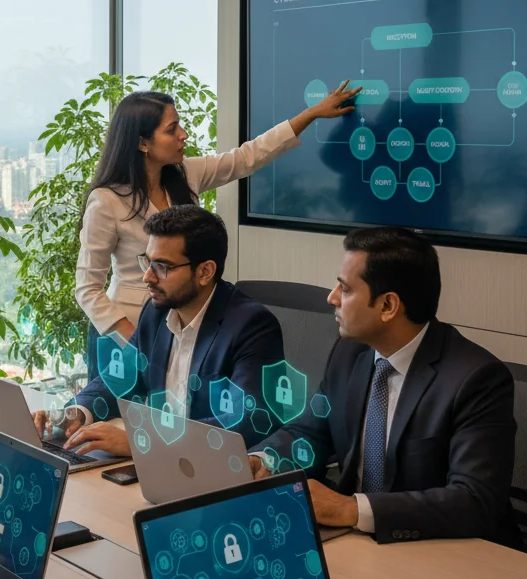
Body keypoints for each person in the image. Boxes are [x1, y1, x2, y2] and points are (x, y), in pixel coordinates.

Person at [250, 227, 519, 547]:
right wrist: (262, 460)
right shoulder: (349, 352)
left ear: (388, 305)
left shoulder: (476, 379)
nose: (331, 298)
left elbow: (474, 500)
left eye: (345, 289)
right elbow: (312, 431)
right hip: (358, 543)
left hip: (444, 552)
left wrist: (350, 509)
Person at [77, 84, 359, 381]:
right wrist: (136, 342)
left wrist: (311, 113)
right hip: (126, 331)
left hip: (179, 327)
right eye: (172, 129)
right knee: (114, 420)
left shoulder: (185, 175)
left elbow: (248, 157)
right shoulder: (106, 201)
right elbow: (87, 288)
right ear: (143, 143)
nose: (183, 134)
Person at [33, 205, 285, 455]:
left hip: (216, 473)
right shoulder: (156, 312)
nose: (148, 277)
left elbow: (247, 421)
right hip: (159, 466)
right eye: (148, 262)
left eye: (162, 267)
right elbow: (121, 379)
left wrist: (142, 442)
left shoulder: (252, 326)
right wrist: (75, 412)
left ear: (205, 271)